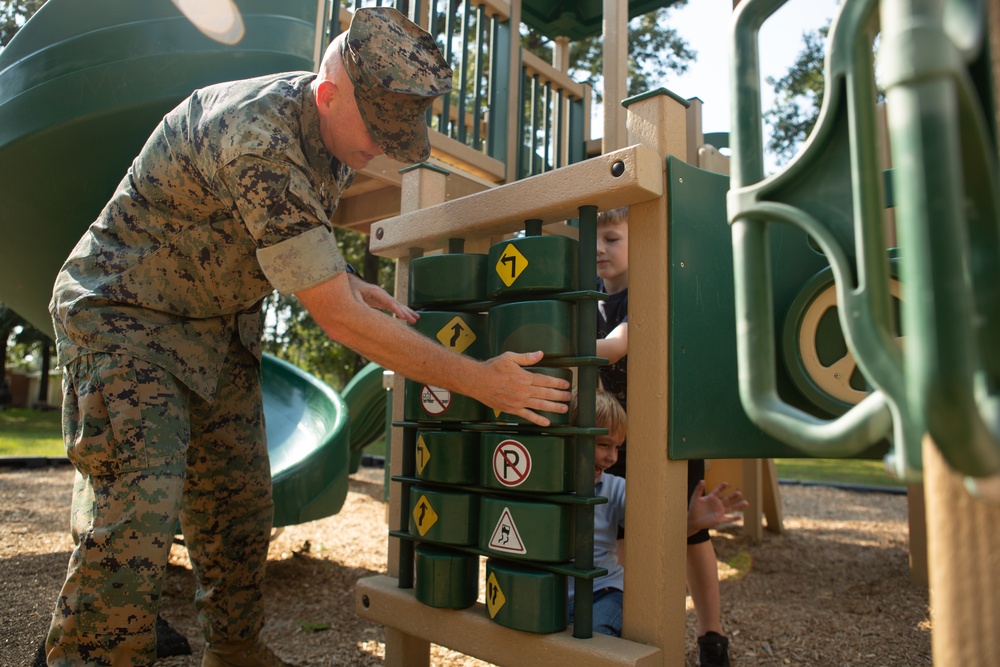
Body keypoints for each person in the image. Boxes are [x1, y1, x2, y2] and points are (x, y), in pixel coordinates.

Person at [44, 8, 570, 667]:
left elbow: (288, 230)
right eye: (378, 131)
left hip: (216, 327)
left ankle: (235, 651)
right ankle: (88, 656)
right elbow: (339, 320)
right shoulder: (259, 134)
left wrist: (347, 274)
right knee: (140, 504)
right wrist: (481, 379)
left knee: (239, 505)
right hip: (125, 315)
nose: (381, 148)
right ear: (328, 93)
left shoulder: (334, 139)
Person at [593, 206, 735, 666]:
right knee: (620, 526)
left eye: (612, 238)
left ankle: (712, 636)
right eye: (593, 240)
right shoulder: (589, 297)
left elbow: (614, 347)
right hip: (617, 435)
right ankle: (628, 622)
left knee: (690, 531)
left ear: (641, 242)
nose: (599, 249)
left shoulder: (649, 290)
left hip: (668, 432)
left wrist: (548, 341)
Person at [566, 387, 747, 638]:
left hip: (602, 593)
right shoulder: (543, 485)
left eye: (617, 447)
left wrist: (690, 523)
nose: (611, 457)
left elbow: (654, 532)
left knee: (599, 635)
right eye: (604, 445)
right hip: (551, 594)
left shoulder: (615, 489)